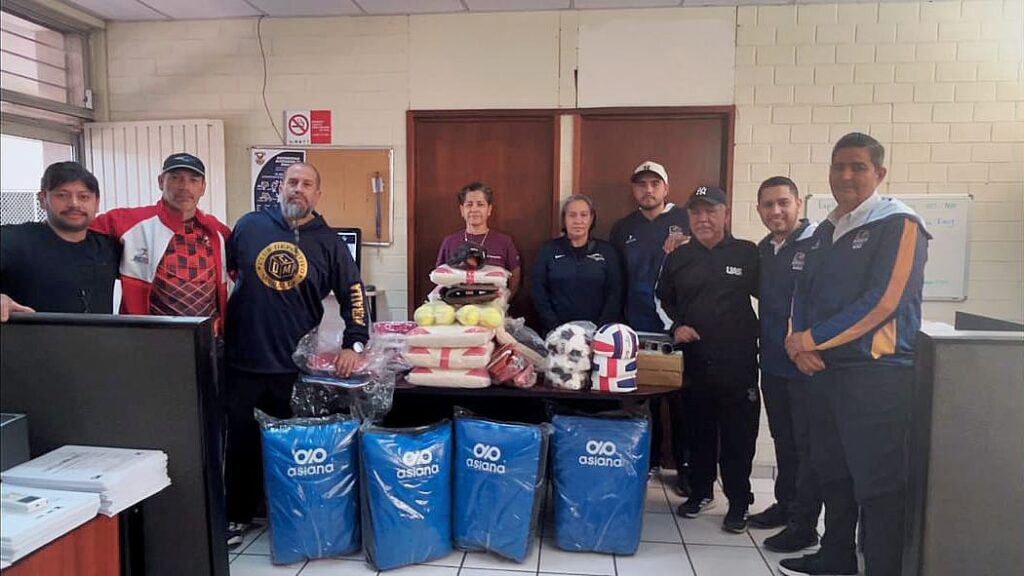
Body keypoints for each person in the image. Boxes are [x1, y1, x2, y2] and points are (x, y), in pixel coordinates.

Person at [780, 133, 929, 576]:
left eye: (858, 167)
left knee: (877, 485)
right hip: (824, 371)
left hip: (876, 375)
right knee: (832, 471)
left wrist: (811, 340)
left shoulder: (899, 223)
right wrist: (797, 343)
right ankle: (836, 556)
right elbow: (802, 294)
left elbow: (884, 301)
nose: (846, 175)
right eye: (838, 166)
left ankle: (881, 567)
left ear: (879, 173)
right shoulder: (825, 230)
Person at [223, 161, 369, 548]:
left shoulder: (330, 242)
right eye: (292, 182)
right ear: (280, 188)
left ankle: (291, 517)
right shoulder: (249, 226)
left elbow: (354, 293)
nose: (297, 189)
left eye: (306, 184)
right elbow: (225, 274)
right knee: (241, 443)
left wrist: (354, 344)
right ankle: (237, 516)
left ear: (317, 194)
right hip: (243, 359)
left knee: (293, 448)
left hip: (296, 368)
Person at [656, 185, 760, 534]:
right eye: (696, 212)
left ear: (725, 214)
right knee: (698, 431)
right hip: (695, 362)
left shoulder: (748, 253)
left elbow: (774, 297)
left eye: (711, 211)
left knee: (738, 437)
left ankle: (739, 503)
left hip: (738, 362)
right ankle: (701, 493)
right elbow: (660, 299)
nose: (703, 218)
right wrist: (676, 327)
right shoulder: (678, 256)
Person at [750, 176, 822, 553]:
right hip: (774, 364)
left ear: (798, 204)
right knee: (784, 439)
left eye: (783, 203)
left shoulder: (819, 243)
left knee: (808, 446)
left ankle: (805, 525)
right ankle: (786, 504)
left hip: (806, 367)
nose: (776, 211)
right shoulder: (765, 249)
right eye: (768, 205)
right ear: (759, 210)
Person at [610, 160, 691, 494]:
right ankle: (649, 461)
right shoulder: (622, 229)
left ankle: (684, 468)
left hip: (678, 327)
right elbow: (617, 279)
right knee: (645, 401)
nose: (648, 190)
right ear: (634, 190)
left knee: (681, 402)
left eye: (654, 183)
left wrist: (687, 241)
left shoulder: (686, 219)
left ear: (666, 188)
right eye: (641, 184)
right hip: (637, 326)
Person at [90, 152, 231, 330]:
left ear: (203, 187)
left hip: (208, 338)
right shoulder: (129, 222)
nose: (184, 187)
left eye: (193, 180)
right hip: (148, 338)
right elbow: (76, 227)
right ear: (161, 181)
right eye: (175, 178)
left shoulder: (217, 231)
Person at [1, 161, 120, 321]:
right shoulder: (14, 240)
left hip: (99, 337)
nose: (74, 204)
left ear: (97, 203)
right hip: (28, 337)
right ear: (43, 199)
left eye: (83, 197)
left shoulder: (108, 247)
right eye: (62, 195)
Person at [531, 194, 622, 334]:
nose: (578, 220)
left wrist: (600, 330)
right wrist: (556, 327)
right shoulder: (548, 250)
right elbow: (538, 291)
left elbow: (615, 293)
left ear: (591, 218)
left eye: (584, 215)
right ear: (564, 219)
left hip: (597, 333)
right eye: (572, 215)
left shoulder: (607, 251)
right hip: (557, 332)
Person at [435, 181, 522, 294]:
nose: (474, 209)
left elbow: (515, 275)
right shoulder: (449, 242)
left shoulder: (504, 242)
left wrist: (503, 300)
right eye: (469, 204)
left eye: (480, 204)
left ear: (489, 209)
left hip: (493, 303)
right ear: (462, 210)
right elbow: (440, 276)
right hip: (455, 303)